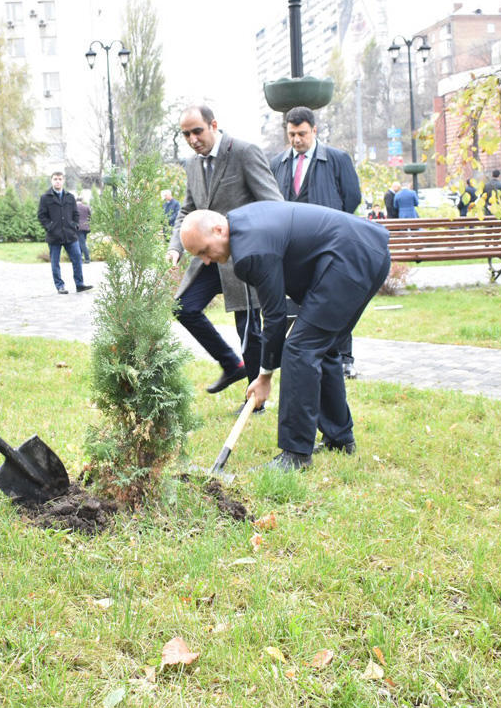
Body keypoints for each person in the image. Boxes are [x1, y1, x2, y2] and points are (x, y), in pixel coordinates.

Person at [179, 204, 390, 471]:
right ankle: (339, 438)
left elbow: (275, 315)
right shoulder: (243, 226)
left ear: (219, 229)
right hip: (362, 252)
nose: (206, 261)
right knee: (320, 347)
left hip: (352, 258)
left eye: (204, 251)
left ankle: (296, 454)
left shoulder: (249, 251)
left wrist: (264, 376)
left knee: (300, 349)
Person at [167, 105, 282, 402]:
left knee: (249, 329)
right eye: (186, 134)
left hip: (243, 256)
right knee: (184, 308)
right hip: (208, 256)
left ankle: (255, 402)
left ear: (213, 125)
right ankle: (232, 365)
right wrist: (175, 248)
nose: (192, 139)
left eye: (197, 131)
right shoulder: (192, 164)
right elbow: (188, 209)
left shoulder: (244, 152)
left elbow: (273, 204)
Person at [271, 106, 362, 379]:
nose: (296, 140)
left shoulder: (337, 159)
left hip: (329, 244)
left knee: (337, 301)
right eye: (291, 134)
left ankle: (344, 357)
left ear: (314, 130)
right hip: (293, 248)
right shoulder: (278, 163)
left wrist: (335, 228)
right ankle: (308, 354)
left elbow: (352, 197)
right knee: (301, 302)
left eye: (301, 133)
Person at [37, 171, 91, 294]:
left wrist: (75, 225)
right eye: (55, 179)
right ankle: (60, 286)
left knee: (77, 258)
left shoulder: (70, 197)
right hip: (54, 236)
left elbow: (75, 213)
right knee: (55, 263)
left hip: (70, 235)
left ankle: (79, 284)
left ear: (63, 181)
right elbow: (41, 215)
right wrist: (49, 227)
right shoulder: (45, 197)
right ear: (51, 180)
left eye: (60, 179)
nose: (58, 181)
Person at [75, 194, 92, 264]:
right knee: (81, 242)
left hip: (78, 227)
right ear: (82, 201)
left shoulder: (74, 208)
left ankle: (87, 258)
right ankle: (80, 258)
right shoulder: (86, 207)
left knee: (82, 243)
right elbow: (90, 216)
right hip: (86, 227)